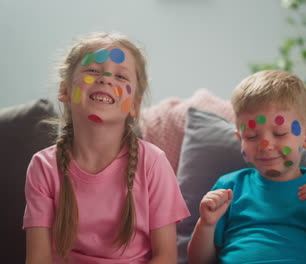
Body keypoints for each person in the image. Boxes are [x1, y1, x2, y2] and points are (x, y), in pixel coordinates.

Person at [23, 32, 190, 264]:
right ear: (65, 91)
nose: (106, 79)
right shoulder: (43, 166)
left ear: (135, 105)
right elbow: (38, 259)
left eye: (121, 77)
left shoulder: (153, 162)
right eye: (92, 71)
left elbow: (166, 256)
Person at [187, 70, 306, 264]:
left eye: (279, 133)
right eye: (252, 137)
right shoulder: (230, 187)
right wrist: (206, 224)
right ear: (240, 139)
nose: (265, 145)